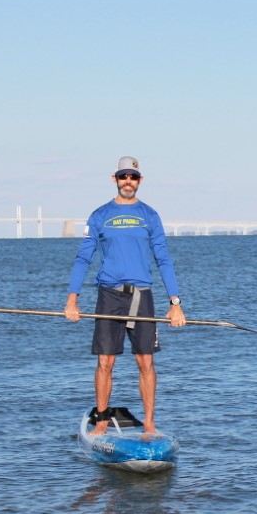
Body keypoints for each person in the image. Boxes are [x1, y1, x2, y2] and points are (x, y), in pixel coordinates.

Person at [64, 156, 186, 435]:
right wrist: (72, 299)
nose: (127, 181)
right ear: (114, 179)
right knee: (105, 361)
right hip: (109, 295)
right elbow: (83, 258)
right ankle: (103, 420)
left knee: (145, 361)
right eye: (123, 176)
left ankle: (150, 424)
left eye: (132, 176)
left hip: (142, 296)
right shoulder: (99, 215)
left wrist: (175, 303)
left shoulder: (150, 215)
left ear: (139, 180)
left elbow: (163, 259)